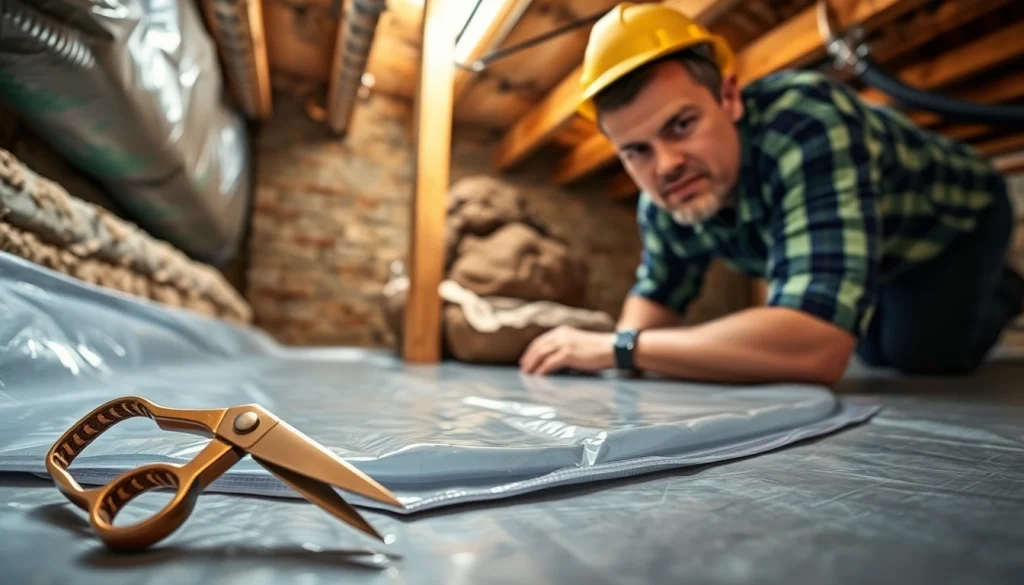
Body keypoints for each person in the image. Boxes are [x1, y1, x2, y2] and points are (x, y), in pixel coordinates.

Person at [518, 2, 1023, 384]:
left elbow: (817, 349)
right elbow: (656, 300)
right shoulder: (667, 194)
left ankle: (1007, 289)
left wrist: (621, 349)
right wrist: (614, 353)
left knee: (918, 360)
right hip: (877, 248)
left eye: (682, 124)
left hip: (956, 221)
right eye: (636, 151)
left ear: (730, 98)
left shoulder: (805, 121)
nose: (666, 165)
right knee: (874, 350)